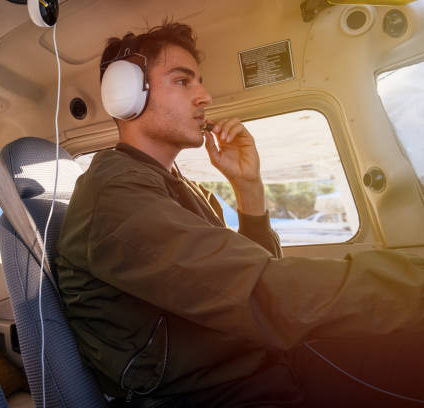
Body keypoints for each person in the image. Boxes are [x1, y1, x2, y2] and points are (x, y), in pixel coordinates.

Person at [55, 22, 424, 407]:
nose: (205, 96)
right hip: (214, 393)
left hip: (253, 365)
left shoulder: (177, 186)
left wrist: (248, 187)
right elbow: (258, 291)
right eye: (183, 82)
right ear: (125, 94)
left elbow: (245, 276)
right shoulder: (115, 196)